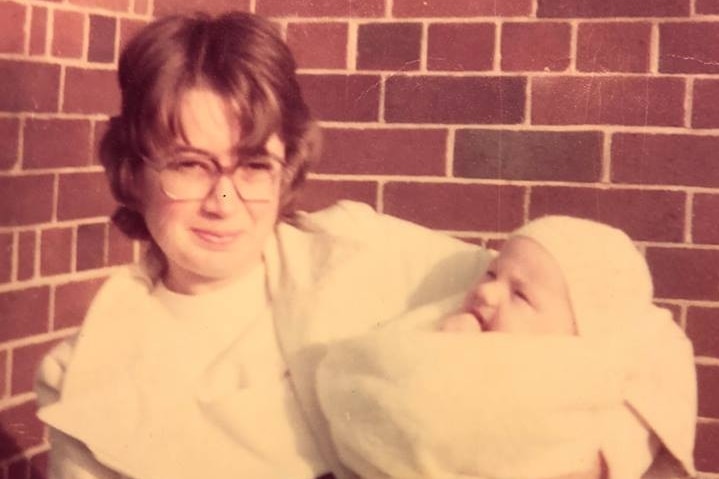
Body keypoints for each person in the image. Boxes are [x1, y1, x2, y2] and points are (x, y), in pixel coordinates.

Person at [31, 10, 690, 479]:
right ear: (133, 169)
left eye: (253, 165)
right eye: (190, 164)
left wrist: (598, 453)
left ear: (286, 167)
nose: (224, 200)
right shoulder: (89, 375)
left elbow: (615, 318)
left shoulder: (361, 252)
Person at [317, 216, 697, 479]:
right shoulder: (453, 324)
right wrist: (447, 350)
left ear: (577, 334)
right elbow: (389, 377)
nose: (486, 290)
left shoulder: (581, 382)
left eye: (521, 295)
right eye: (493, 273)